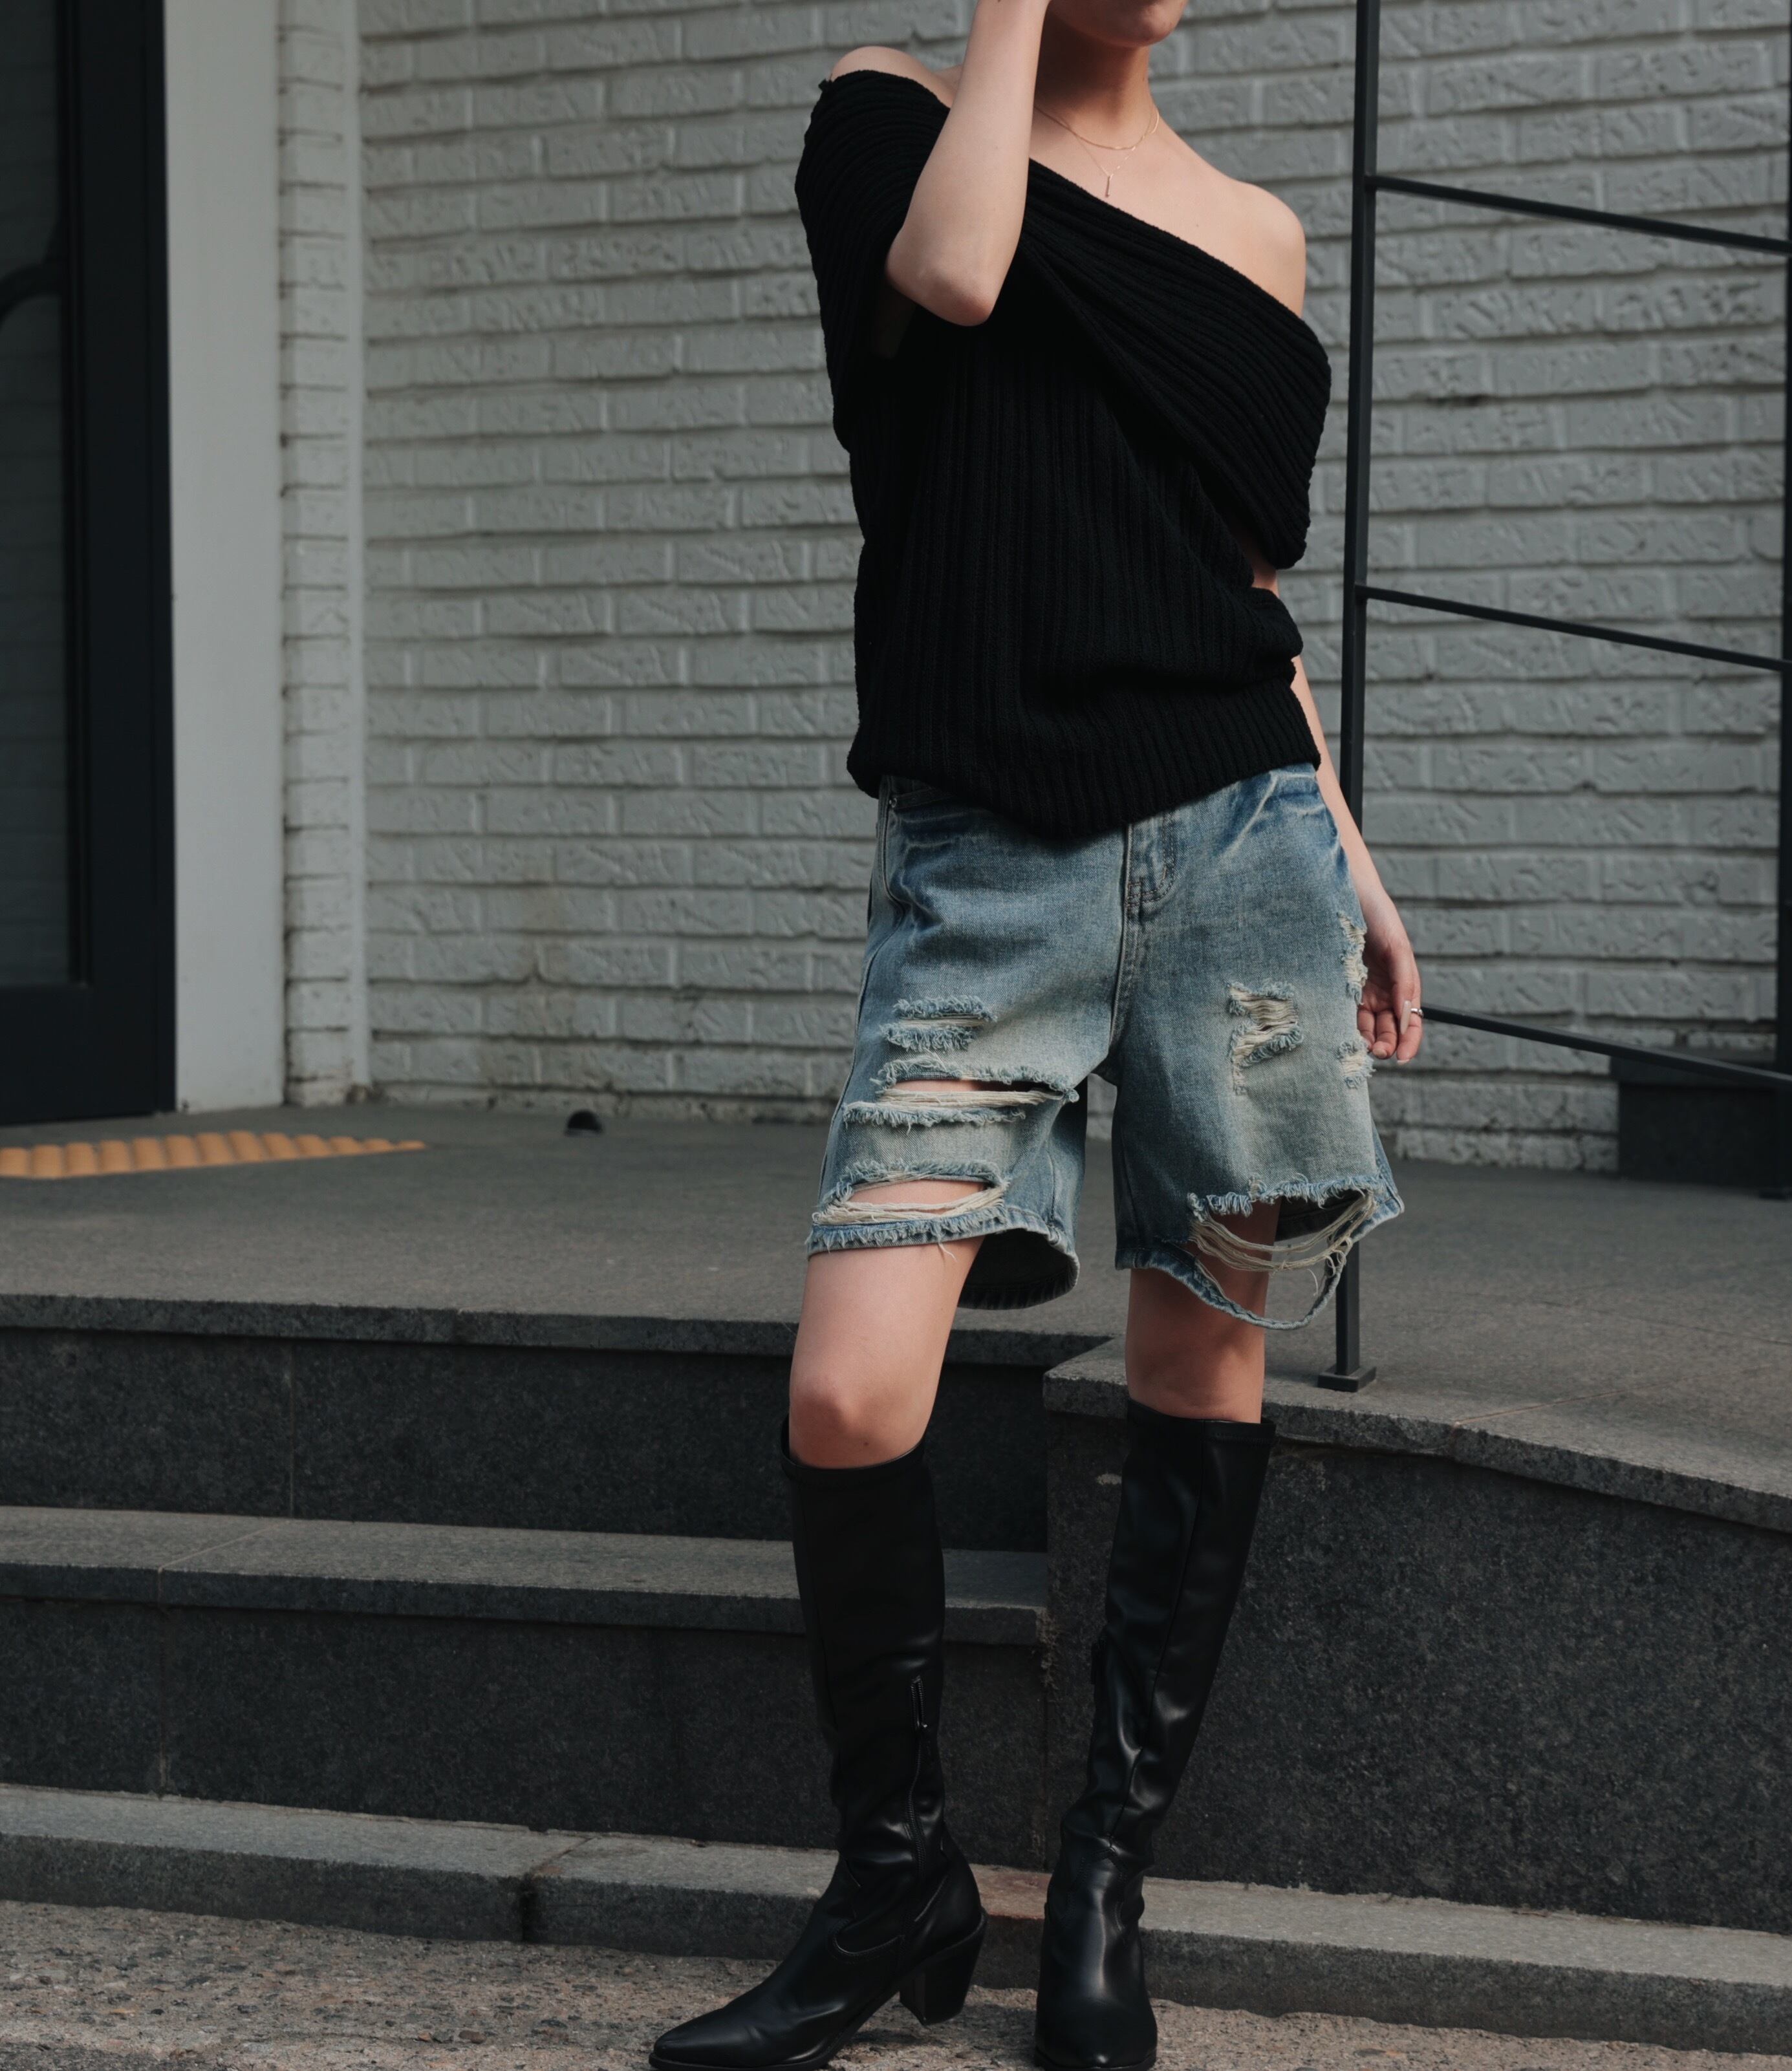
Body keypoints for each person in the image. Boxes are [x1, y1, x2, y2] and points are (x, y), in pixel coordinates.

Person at [650, 2, 1423, 2066]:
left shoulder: (1251, 231)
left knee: (1202, 1348)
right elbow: (958, 274)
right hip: (989, 859)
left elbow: (1238, 576)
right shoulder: (887, 122)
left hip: (1240, 846)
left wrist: (1348, 852)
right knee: (849, 1385)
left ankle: (1100, 1884)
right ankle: (895, 1869)